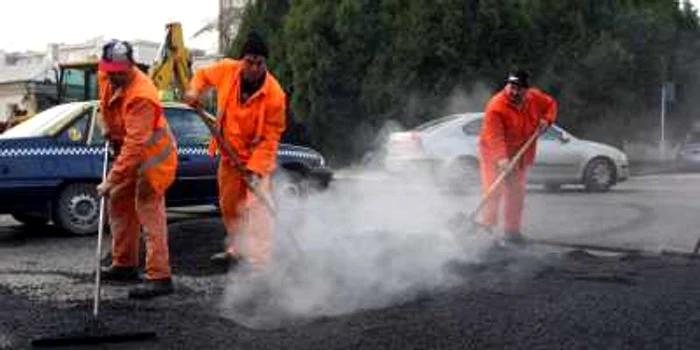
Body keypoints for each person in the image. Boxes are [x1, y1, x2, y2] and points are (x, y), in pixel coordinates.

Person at [183, 31, 286, 273]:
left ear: (265, 64)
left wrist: (255, 170)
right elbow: (202, 75)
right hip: (229, 156)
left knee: (258, 208)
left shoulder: (275, 96)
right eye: (249, 61)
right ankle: (237, 250)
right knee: (230, 205)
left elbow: (271, 138)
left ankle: (260, 263)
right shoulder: (228, 71)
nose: (253, 67)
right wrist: (194, 92)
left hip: (255, 160)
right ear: (242, 60)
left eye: (259, 63)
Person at [96, 40, 178, 299]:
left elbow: (135, 146)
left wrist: (110, 180)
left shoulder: (142, 94)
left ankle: (160, 277)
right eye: (110, 71)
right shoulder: (107, 75)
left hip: (153, 158)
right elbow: (103, 105)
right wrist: (105, 124)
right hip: (128, 152)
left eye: (118, 72)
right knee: (119, 203)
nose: (113, 76)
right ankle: (124, 264)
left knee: (148, 211)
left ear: (130, 65)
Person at [477, 69, 558, 245]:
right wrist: (501, 159)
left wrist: (547, 119)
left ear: (527, 90)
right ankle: (486, 229)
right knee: (494, 192)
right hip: (492, 155)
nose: (513, 91)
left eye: (518, 88)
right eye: (511, 86)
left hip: (520, 155)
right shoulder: (496, 107)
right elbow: (494, 137)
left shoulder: (535, 98)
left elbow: (551, 104)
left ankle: (512, 232)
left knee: (516, 194)